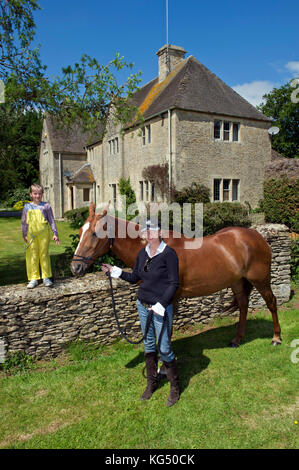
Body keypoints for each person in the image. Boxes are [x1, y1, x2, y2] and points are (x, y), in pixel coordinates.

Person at [102, 220, 180, 407]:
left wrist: (162, 304)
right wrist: (115, 272)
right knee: (149, 345)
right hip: (143, 305)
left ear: (160, 232)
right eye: (146, 231)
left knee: (164, 347)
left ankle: (175, 387)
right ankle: (151, 383)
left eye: (152, 230)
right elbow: (135, 277)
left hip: (160, 308)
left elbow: (174, 283)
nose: (149, 234)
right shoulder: (142, 253)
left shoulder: (169, 254)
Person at [21, 183, 60, 289]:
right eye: (35, 194)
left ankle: (46, 277)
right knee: (32, 255)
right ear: (30, 194)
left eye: (39, 194)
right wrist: (24, 234)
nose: (37, 196)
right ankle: (33, 278)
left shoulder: (46, 206)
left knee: (44, 254)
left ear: (42, 194)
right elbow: (24, 222)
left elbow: (51, 220)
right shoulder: (27, 207)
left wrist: (55, 233)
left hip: (43, 233)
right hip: (31, 234)